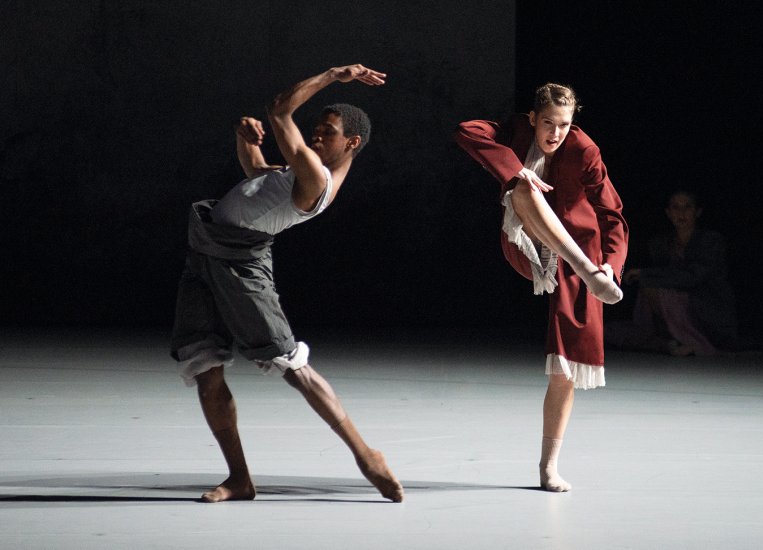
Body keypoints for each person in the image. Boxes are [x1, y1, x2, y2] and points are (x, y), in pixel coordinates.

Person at [170, 65, 403, 503]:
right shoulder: (301, 170)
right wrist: (245, 138)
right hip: (205, 257)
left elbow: (279, 109)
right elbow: (257, 173)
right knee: (205, 368)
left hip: (240, 266)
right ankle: (239, 478)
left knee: (292, 366)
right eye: (316, 130)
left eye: (328, 132)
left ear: (351, 143)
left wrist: (335, 74)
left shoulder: (317, 179)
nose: (317, 136)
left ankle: (366, 455)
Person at [454, 83, 628, 492]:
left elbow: (612, 214)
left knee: (568, 364)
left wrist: (610, 266)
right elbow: (466, 130)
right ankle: (584, 269)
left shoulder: (584, 150)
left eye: (564, 125)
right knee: (522, 187)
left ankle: (548, 466)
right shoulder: (515, 131)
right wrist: (516, 169)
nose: (555, 133)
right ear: (532, 118)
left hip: (580, 249)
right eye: (547, 123)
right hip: (526, 241)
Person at [613, 190, 739, 356]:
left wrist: (646, 273)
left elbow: (692, 278)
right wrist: (645, 276)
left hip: (706, 309)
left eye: (687, 207)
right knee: (617, 330)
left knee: (653, 287)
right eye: (676, 207)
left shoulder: (711, 241)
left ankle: (689, 340)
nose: (682, 213)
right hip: (671, 310)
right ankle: (669, 340)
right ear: (668, 213)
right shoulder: (660, 243)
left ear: (697, 212)